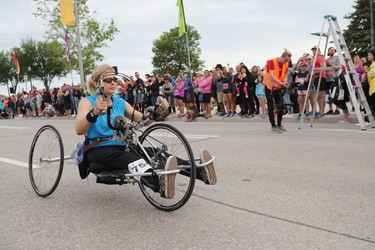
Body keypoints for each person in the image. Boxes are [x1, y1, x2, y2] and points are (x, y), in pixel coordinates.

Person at [75, 65, 217, 199]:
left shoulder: (120, 103)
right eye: (108, 80)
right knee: (133, 160)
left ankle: (199, 172)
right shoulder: (87, 102)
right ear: (96, 83)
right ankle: (160, 185)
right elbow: (79, 129)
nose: (113, 82)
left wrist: (159, 111)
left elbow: (143, 121)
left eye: (115, 79)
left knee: (159, 155)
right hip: (98, 149)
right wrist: (94, 112)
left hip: (121, 146)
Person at [263, 49, 291, 132]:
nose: (286, 62)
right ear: (281, 56)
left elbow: (285, 75)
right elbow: (271, 75)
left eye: (288, 60)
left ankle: (279, 124)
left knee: (280, 107)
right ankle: (273, 126)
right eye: (285, 60)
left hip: (278, 88)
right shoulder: (271, 62)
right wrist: (281, 83)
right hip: (269, 88)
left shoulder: (286, 64)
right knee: (271, 107)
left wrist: (285, 81)